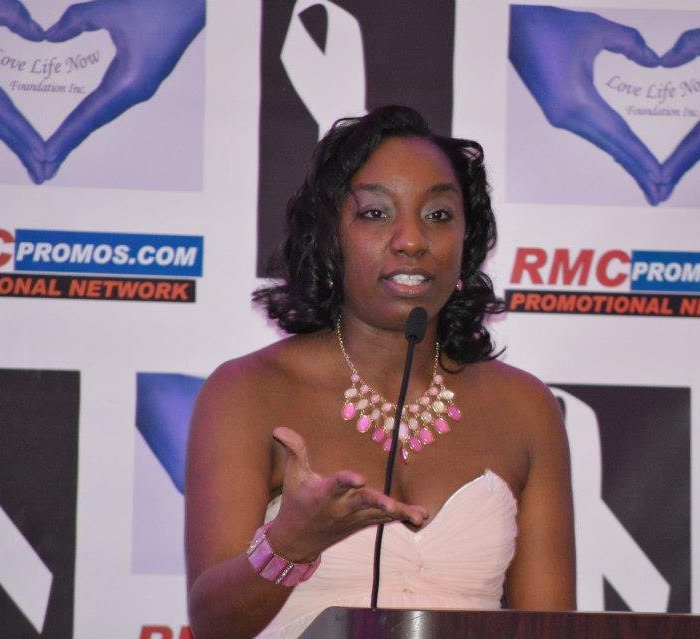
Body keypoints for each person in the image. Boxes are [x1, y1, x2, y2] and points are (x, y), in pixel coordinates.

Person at [184, 105, 576, 638]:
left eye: (439, 215)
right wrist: (290, 544)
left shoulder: (524, 407)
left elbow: (553, 630)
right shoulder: (248, 392)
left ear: (467, 242)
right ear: (330, 237)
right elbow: (213, 625)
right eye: (375, 213)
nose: (412, 240)